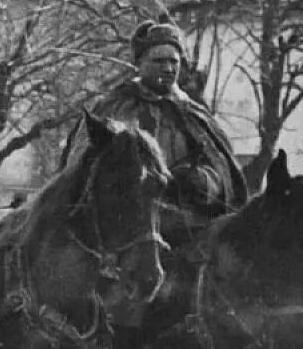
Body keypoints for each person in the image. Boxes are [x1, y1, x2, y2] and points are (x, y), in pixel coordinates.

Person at [63, 19, 247, 217]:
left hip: (186, 225)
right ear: (140, 64)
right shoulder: (111, 108)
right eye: (159, 61)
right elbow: (79, 166)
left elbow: (223, 173)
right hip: (121, 223)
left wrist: (203, 180)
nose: (168, 68)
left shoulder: (195, 116)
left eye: (173, 61)